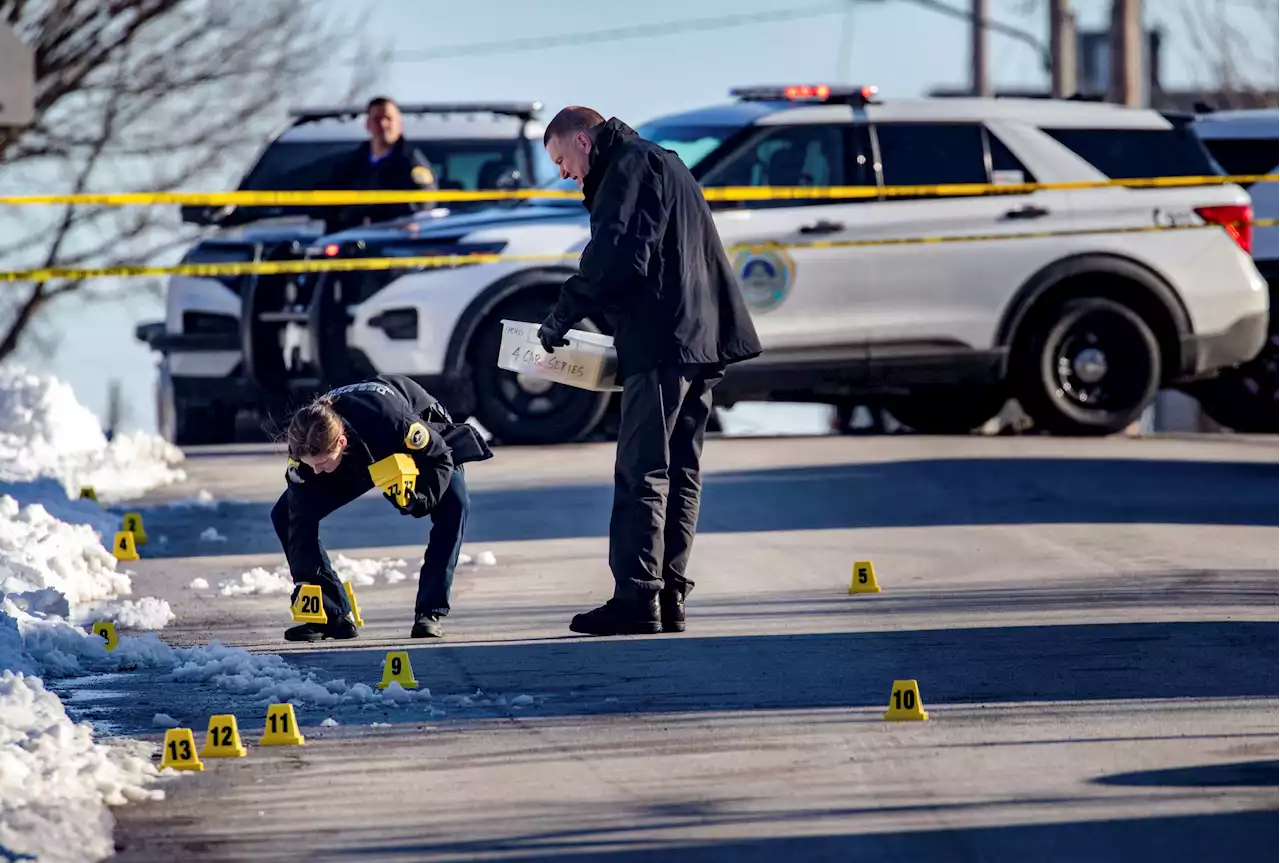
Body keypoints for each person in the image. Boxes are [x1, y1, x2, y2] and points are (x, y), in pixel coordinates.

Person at [537, 106, 763, 637]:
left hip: (664, 341)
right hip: (702, 339)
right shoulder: (666, 162)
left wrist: (562, 314)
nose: (564, 174)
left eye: (562, 159)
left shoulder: (629, 167)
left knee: (644, 470)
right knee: (681, 470)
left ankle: (637, 599)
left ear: (584, 140)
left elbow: (618, 257)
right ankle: (670, 597)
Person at [273, 374, 493, 642]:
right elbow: (299, 519)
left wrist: (424, 498)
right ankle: (333, 616)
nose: (316, 471)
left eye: (322, 463)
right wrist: (307, 584)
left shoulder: (391, 420)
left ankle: (430, 612)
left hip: (416, 435)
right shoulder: (304, 447)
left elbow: (440, 457)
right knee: (284, 515)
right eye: (310, 464)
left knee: (455, 505)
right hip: (356, 451)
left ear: (340, 444)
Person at [323, 96, 439, 232]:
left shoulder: (411, 163)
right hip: (354, 239)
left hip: (395, 240)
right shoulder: (351, 164)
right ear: (367, 124)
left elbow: (425, 201)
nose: (383, 124)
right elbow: (333, 202)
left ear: (399, 125)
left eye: (388, 118)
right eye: (377, 119)